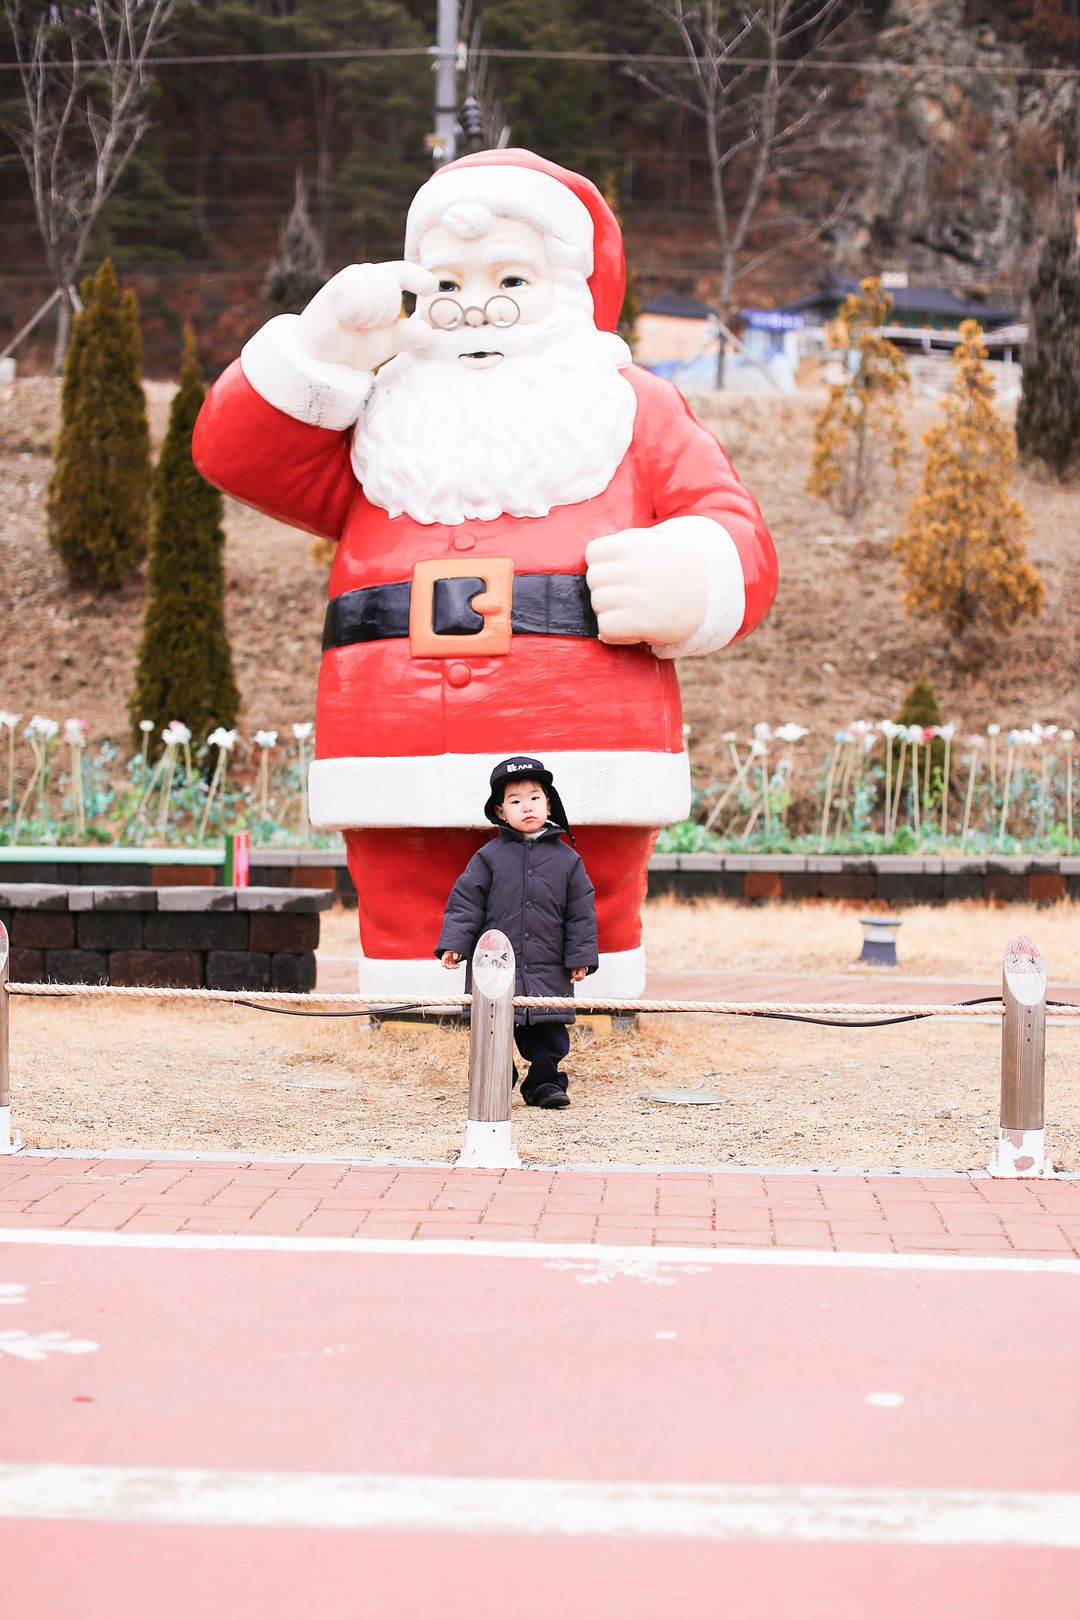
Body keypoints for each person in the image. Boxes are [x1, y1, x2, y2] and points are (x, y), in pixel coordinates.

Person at [192, 147, 778, 999]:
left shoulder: (628, 408)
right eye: (448, 283)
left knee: (583, 900)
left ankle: (586, 1013)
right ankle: (411, 1013)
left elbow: (737, 530)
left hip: (586, 735)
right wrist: (323, 347)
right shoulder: (378, 417)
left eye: (511, 278)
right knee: (405, 910)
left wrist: (692, 575)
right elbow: (235, 453)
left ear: (569, 292)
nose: (476, 308)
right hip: (389, 741)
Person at [437, 757, 597, 1109]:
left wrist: (580, 957)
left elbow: (580, 912)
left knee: (547, 1030)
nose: (527, 806)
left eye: (535, 797)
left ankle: (544, 1083)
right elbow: (466, 903)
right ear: (500, 811)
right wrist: (455, 944)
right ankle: (496, 1077)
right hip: (495, 962)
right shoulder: (488, 857)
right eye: (515, 800)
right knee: (492, 1025)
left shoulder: (567, 860)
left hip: (548, 963)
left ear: (549, 804)